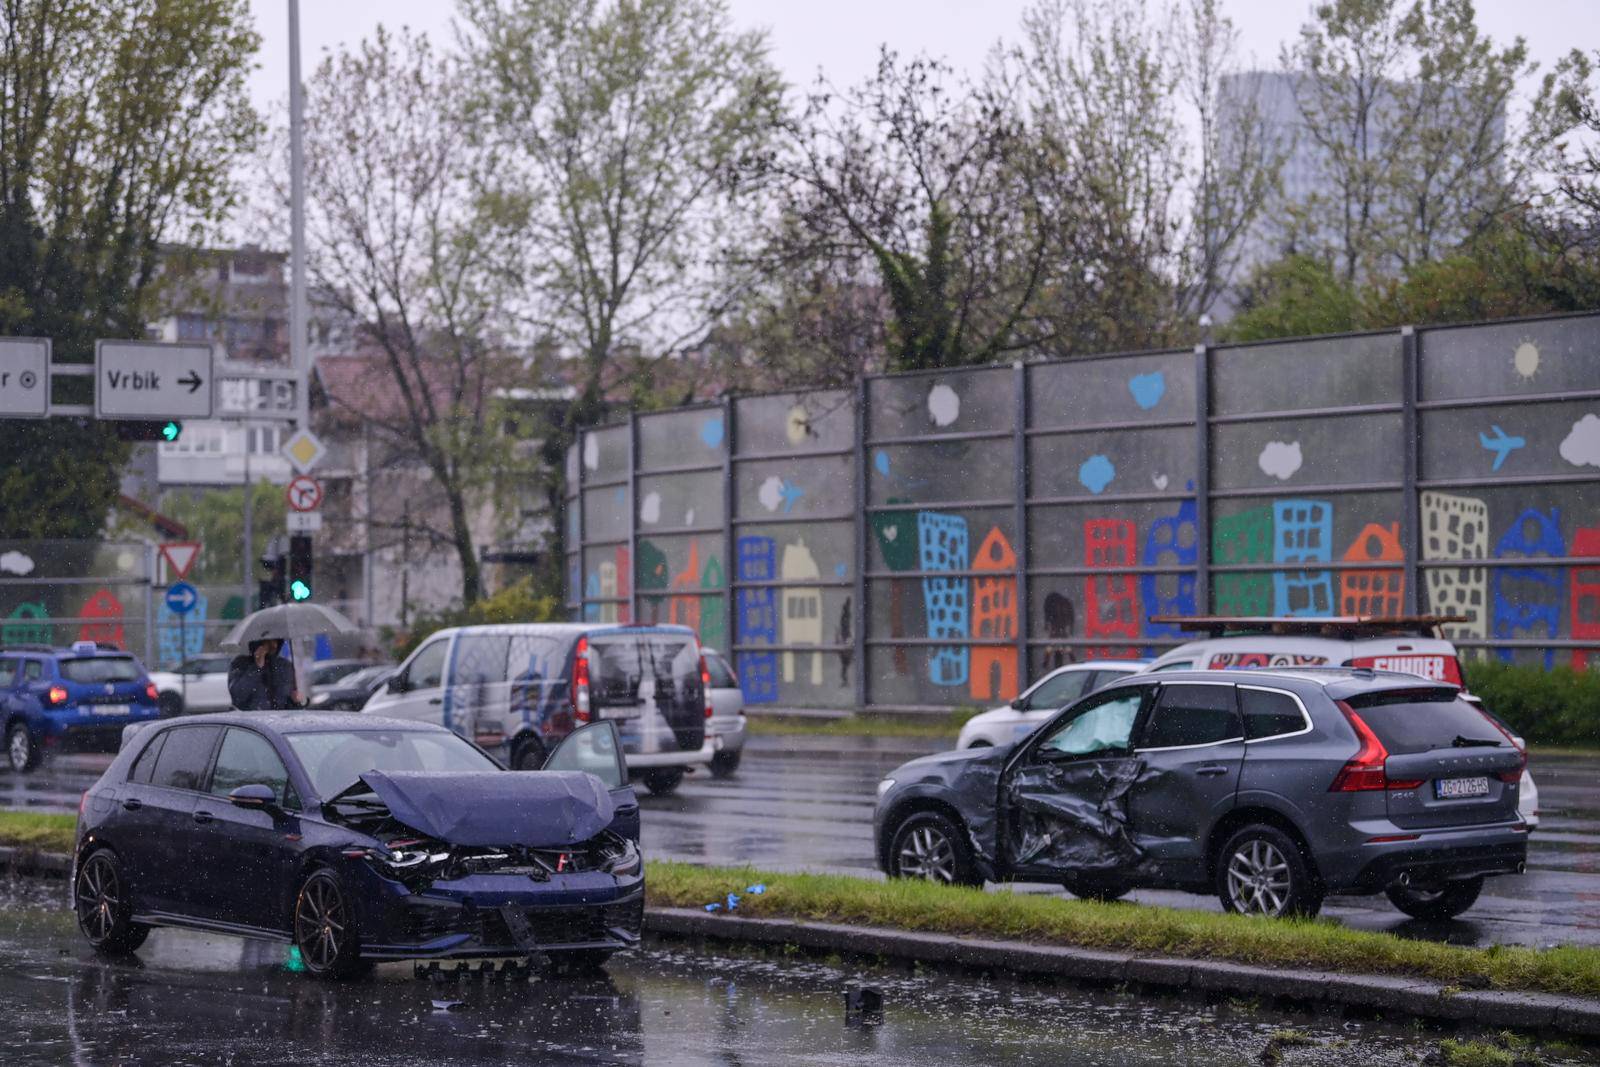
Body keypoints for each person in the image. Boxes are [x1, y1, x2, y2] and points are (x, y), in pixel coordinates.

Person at [228, 639, 304, 711]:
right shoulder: (241, 664)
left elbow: (287, 701)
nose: (273, 645)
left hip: (279, 720)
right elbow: (238, 697)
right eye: (267, 643)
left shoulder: (284, 666)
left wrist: (296, 702)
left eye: (275, 641)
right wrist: (257, 667)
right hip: (251, 720)